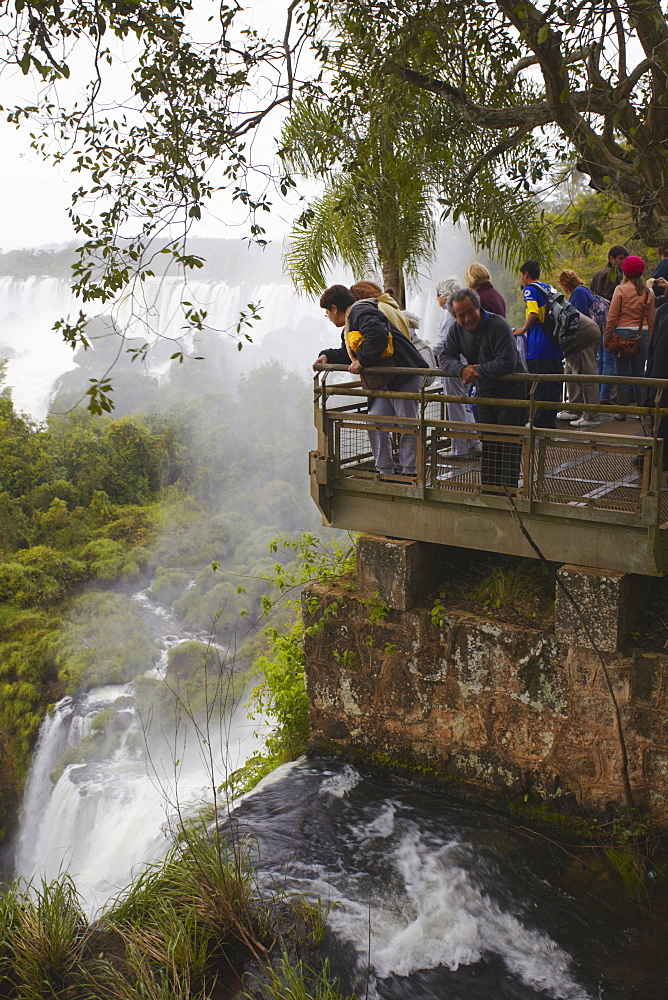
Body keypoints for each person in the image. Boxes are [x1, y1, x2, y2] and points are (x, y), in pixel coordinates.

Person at [314, 284, 428, 476]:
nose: (329, 318)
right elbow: (348, 352)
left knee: (407, 423)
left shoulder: (361, 311)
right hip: (385, 379)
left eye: (328, 313)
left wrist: (363, 361)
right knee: (375, 422)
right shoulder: (352, 320)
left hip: (403, 374)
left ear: (334, 308)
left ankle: (411, 472)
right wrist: (327, 356)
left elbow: (378, 336)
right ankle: (385, 470)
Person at [440, 288, 528, 491]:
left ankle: (508, 491)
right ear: (455, 316)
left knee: (509, 443)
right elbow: (446, 356)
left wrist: (475, 372)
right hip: (486, 391)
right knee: (489, 442)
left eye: (471, 311)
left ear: (478, 307)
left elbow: (507, 362)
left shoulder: (499, 325)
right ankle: (490, 489)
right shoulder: (456, 329)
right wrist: (461, 369)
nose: (468, 318)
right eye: (461, 315)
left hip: (512, 389)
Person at [432, 276, 480, 459]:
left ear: (444, 294)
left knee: (455, 405)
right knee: (465, 403)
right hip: (464, 362)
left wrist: (426, 354)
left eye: (438, 295)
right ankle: (473, 442)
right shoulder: (457, 311)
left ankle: (460, 448)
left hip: (454, 365)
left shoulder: (450, 312)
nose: (437, 300)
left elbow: (443, 342)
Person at [511, 261, 563, 429]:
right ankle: (550, 420)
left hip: (539, 346)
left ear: (526, 274)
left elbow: (533, 313)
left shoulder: (530, 290)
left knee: (540, 386)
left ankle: (539, 423)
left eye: (521, 275)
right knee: (554, 385)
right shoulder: (549, 288)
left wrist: (522, 330)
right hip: (555, 344)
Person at [604, 256, 655, 412]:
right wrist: (650, 340)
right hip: (642, 334)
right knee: (639, 373)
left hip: (622, 335)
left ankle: (623, 411)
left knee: (622, 374)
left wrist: (607, 338)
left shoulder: (621, 289)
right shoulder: (648, 292)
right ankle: (642, 410)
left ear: (625, 271)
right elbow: (651, 320)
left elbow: (612, 317)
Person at [557, 270, 603, 428]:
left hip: (583, 337)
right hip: (580, 339)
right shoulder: (583, 291)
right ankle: (574, 407)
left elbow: (579, 315)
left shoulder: (579, 292)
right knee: (570, 372)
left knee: (586, 375)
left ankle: (591, 415)